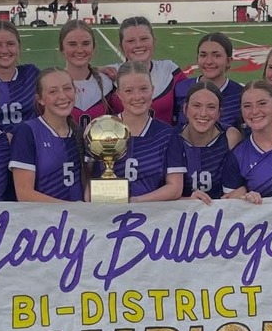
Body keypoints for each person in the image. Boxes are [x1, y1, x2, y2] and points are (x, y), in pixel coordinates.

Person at [99, 61, 185, 202]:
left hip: (153, 217)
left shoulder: (167, 134)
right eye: (129, 91)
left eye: (143, 89)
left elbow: (175, 187)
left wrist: (136, 201)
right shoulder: (103, 130)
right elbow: (89, 180)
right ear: (119, 94)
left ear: (152, 90)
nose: (137, 96)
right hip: (108, 215)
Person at [9, 68, 87, 202]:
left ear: (75, 91)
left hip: (78, 220)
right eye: (53, 91)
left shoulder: (80, 134)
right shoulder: (27, 132)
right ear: (40, 99)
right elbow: (24, 194)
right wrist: (72, 208)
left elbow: (87, 185)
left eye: (67, 88)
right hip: (43, 221)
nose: (62, 96)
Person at [108, 16, 187, 125]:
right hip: (124, 141)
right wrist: (95, 70)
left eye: (144, 39)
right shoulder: (110, 73)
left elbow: (193, 101)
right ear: (121, 46)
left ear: (154, 41)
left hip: (165, 140)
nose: (138, 45)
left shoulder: (169, 70)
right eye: (131, 41)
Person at [179, 81, 243, 203]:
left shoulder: (231, 137)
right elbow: (159, 191)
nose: (203, 113)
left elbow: (246, 178)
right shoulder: (171, 138)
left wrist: (243, 190)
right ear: (185, 109)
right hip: (179, 217)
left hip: (221, 217)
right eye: (196, 106)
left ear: (219, 113)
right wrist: (187, 200)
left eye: (211, 107)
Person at [174, 32, 243, 129]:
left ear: (229, 61)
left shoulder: (240, 94)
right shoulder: (181, 89)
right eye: (203, 55)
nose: (209, 61)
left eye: (216, 56)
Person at [58, 19, 115, 127]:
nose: (80, 50)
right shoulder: (51, 85)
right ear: (62, 48)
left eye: (86, 44)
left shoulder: (108, 83)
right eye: (72, 44)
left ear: (93, 47)